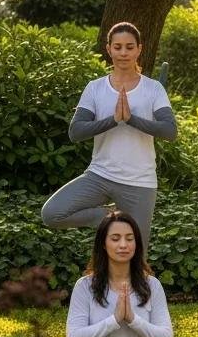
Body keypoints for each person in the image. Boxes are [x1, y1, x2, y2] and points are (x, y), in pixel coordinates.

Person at [42, 22, 176, 248]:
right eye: (118, 47)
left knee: (136, 256)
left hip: (139, 182)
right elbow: (76, 132)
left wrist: (131, 119)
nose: (123, 53)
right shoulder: (95, 88)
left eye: (129, 47)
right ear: (109, 49)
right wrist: (113, 121)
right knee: (52, 213)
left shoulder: (153, 89)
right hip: (99, 175)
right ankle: (106, 217)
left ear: (139, 49)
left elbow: (170, 131)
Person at [58, 212, 198, 337]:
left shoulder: (151, 285)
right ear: (103, 244)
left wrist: (133, 320)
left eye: (129, 239)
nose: (123, 245)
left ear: (137, 244)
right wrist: (114, 321)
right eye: (115, 239)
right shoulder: (85, 286)